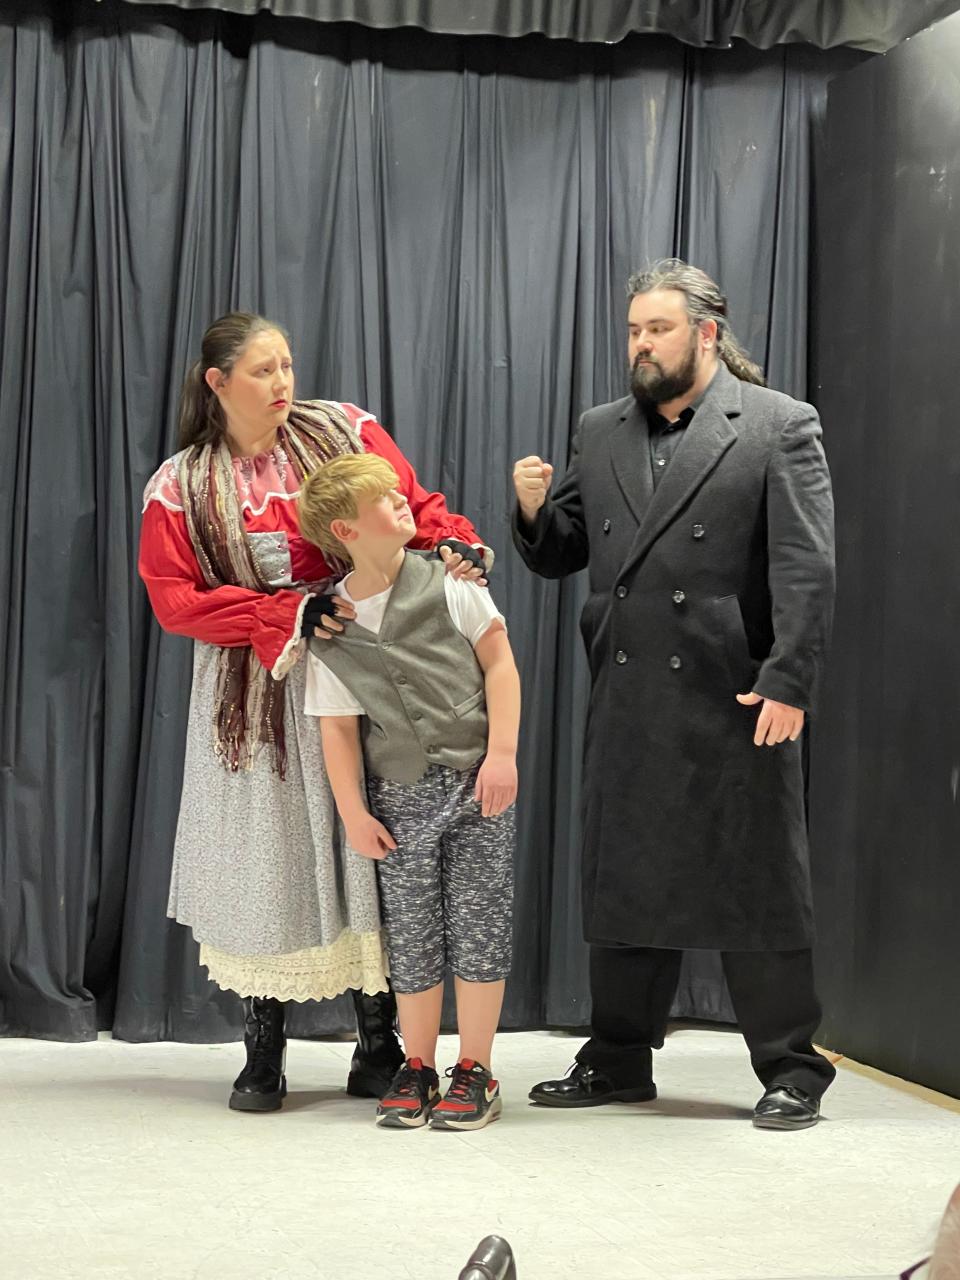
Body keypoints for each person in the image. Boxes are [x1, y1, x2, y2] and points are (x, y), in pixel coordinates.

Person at [512, 259, 836, 1130]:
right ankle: (618, 1057)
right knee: (626, 876)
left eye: (656, 328)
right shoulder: (600, 428)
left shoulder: (776, 425)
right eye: (632, 330)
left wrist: (789, 679)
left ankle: (791, 1067)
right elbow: (564, 552)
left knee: (758, 881)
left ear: (706, 332)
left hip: (734, 693)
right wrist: (536, 511)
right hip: (629, 689)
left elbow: (805, 565)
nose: (641, 344)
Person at [139, 311, 491, 1111]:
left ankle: (377, 1041)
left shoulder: (342, 431)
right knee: (265, 857)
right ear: (218, 383)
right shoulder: (184, 483)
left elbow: (412, 504)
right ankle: (264, 1049)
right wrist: (277, 617)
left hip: (365, 668)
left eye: (288, 365)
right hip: (252, 693)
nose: (283, 383)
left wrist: (452, 542)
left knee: (364, 839)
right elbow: (175, 600)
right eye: (263, 371)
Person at [298, 453, 520, 1130]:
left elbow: (500, 665)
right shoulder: (332, 624)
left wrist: (503, 755)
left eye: (400, 495)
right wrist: (353, 814)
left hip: (477, 785)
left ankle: (474, 1068)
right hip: (399, 800)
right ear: (346, 530)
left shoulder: (452, 582)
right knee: (414, 936)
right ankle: (418, 1064)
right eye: (385, 500)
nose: (404, 503)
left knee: (480, 926)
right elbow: (338, 730)